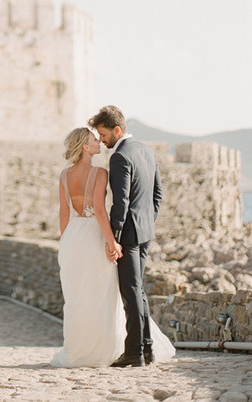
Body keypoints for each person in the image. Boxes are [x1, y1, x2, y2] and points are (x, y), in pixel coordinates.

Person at [50, 125, 174, 369]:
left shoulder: (65, 175)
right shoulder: (99, 173)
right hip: (94, 235)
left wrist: (66, 241)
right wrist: (112, 241)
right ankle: (107, 348)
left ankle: (77, 350)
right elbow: (98, 209)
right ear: (86, 147)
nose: (99, 141)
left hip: (73, 237)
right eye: (94, 139)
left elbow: (64, 211)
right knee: (104, 293)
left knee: (77, 297)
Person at [88, 105, 170, 367]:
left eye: (103, 134)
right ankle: (146, 348)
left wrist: (115, 239)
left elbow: (120, 203)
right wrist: (147, 221)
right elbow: (158, 195)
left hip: (129, 236)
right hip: (145, 231)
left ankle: (134, 352)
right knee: (138, 291)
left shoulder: (120, 157)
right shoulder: (147, 151)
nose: (101, 140)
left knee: (130, 291)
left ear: (117, 129)